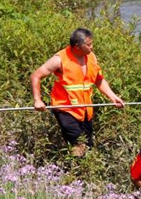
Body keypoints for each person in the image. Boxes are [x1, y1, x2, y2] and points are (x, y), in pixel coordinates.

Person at [30, 28, 124, 157]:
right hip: (65, 109)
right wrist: (37, 100)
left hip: (85, 110)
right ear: (77, 46)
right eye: (88, 44)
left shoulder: (91, 57)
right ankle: (77, 171)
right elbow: (36, 76)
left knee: (89, 146)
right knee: (79, 143)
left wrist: (113, 97)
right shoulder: (59, 59)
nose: (92, 47)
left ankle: (79, 170)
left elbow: (99, 80)